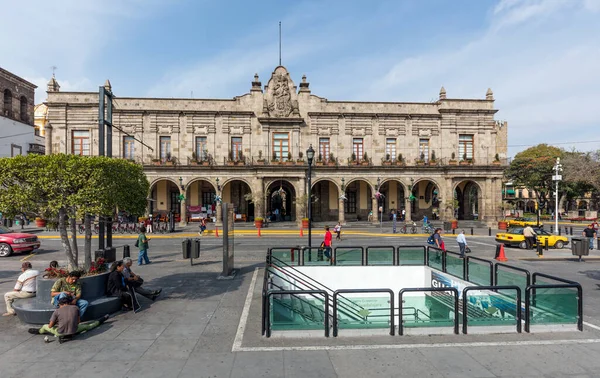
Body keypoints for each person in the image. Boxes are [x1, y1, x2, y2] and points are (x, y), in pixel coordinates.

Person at [28, 296, 109, 344]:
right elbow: (78, 322)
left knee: (45, 326)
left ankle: (39, 331)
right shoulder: (76, 308)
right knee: (88, 326)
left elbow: (50, 325)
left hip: (60, 332)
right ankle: (102, 319)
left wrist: (56, 322)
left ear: (60, 304)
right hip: (75, 330)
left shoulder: (57, 311)